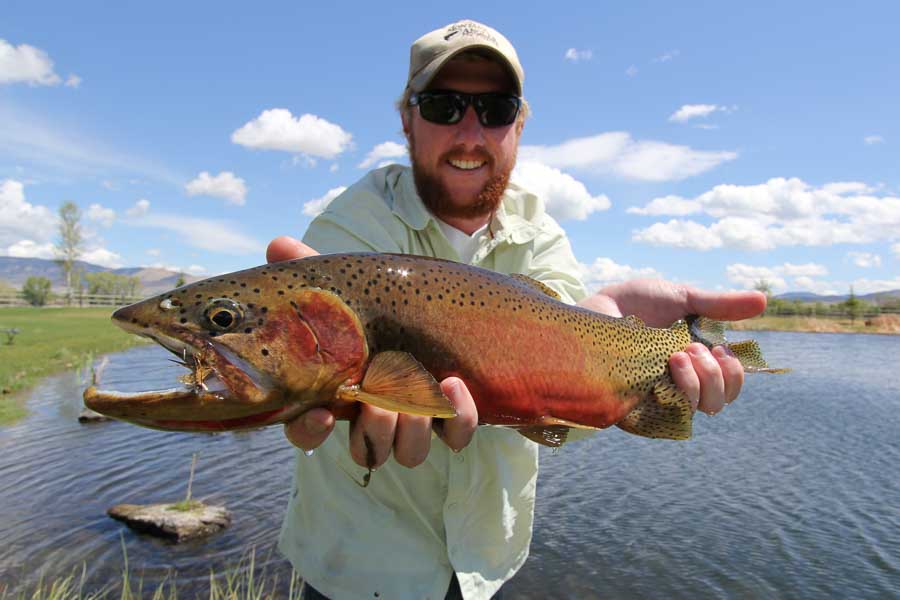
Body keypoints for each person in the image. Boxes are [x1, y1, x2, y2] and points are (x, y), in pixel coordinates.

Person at [267, 20, 766, 600]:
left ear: (520, 124)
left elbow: (554, 419)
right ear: (407, 117)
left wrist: (632, 360)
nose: (471, 132)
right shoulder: (347, 228)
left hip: (485, 567)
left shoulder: (543, 237)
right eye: (444, 106)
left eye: (497, 108)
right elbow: (311, 407)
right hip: (354, 568)